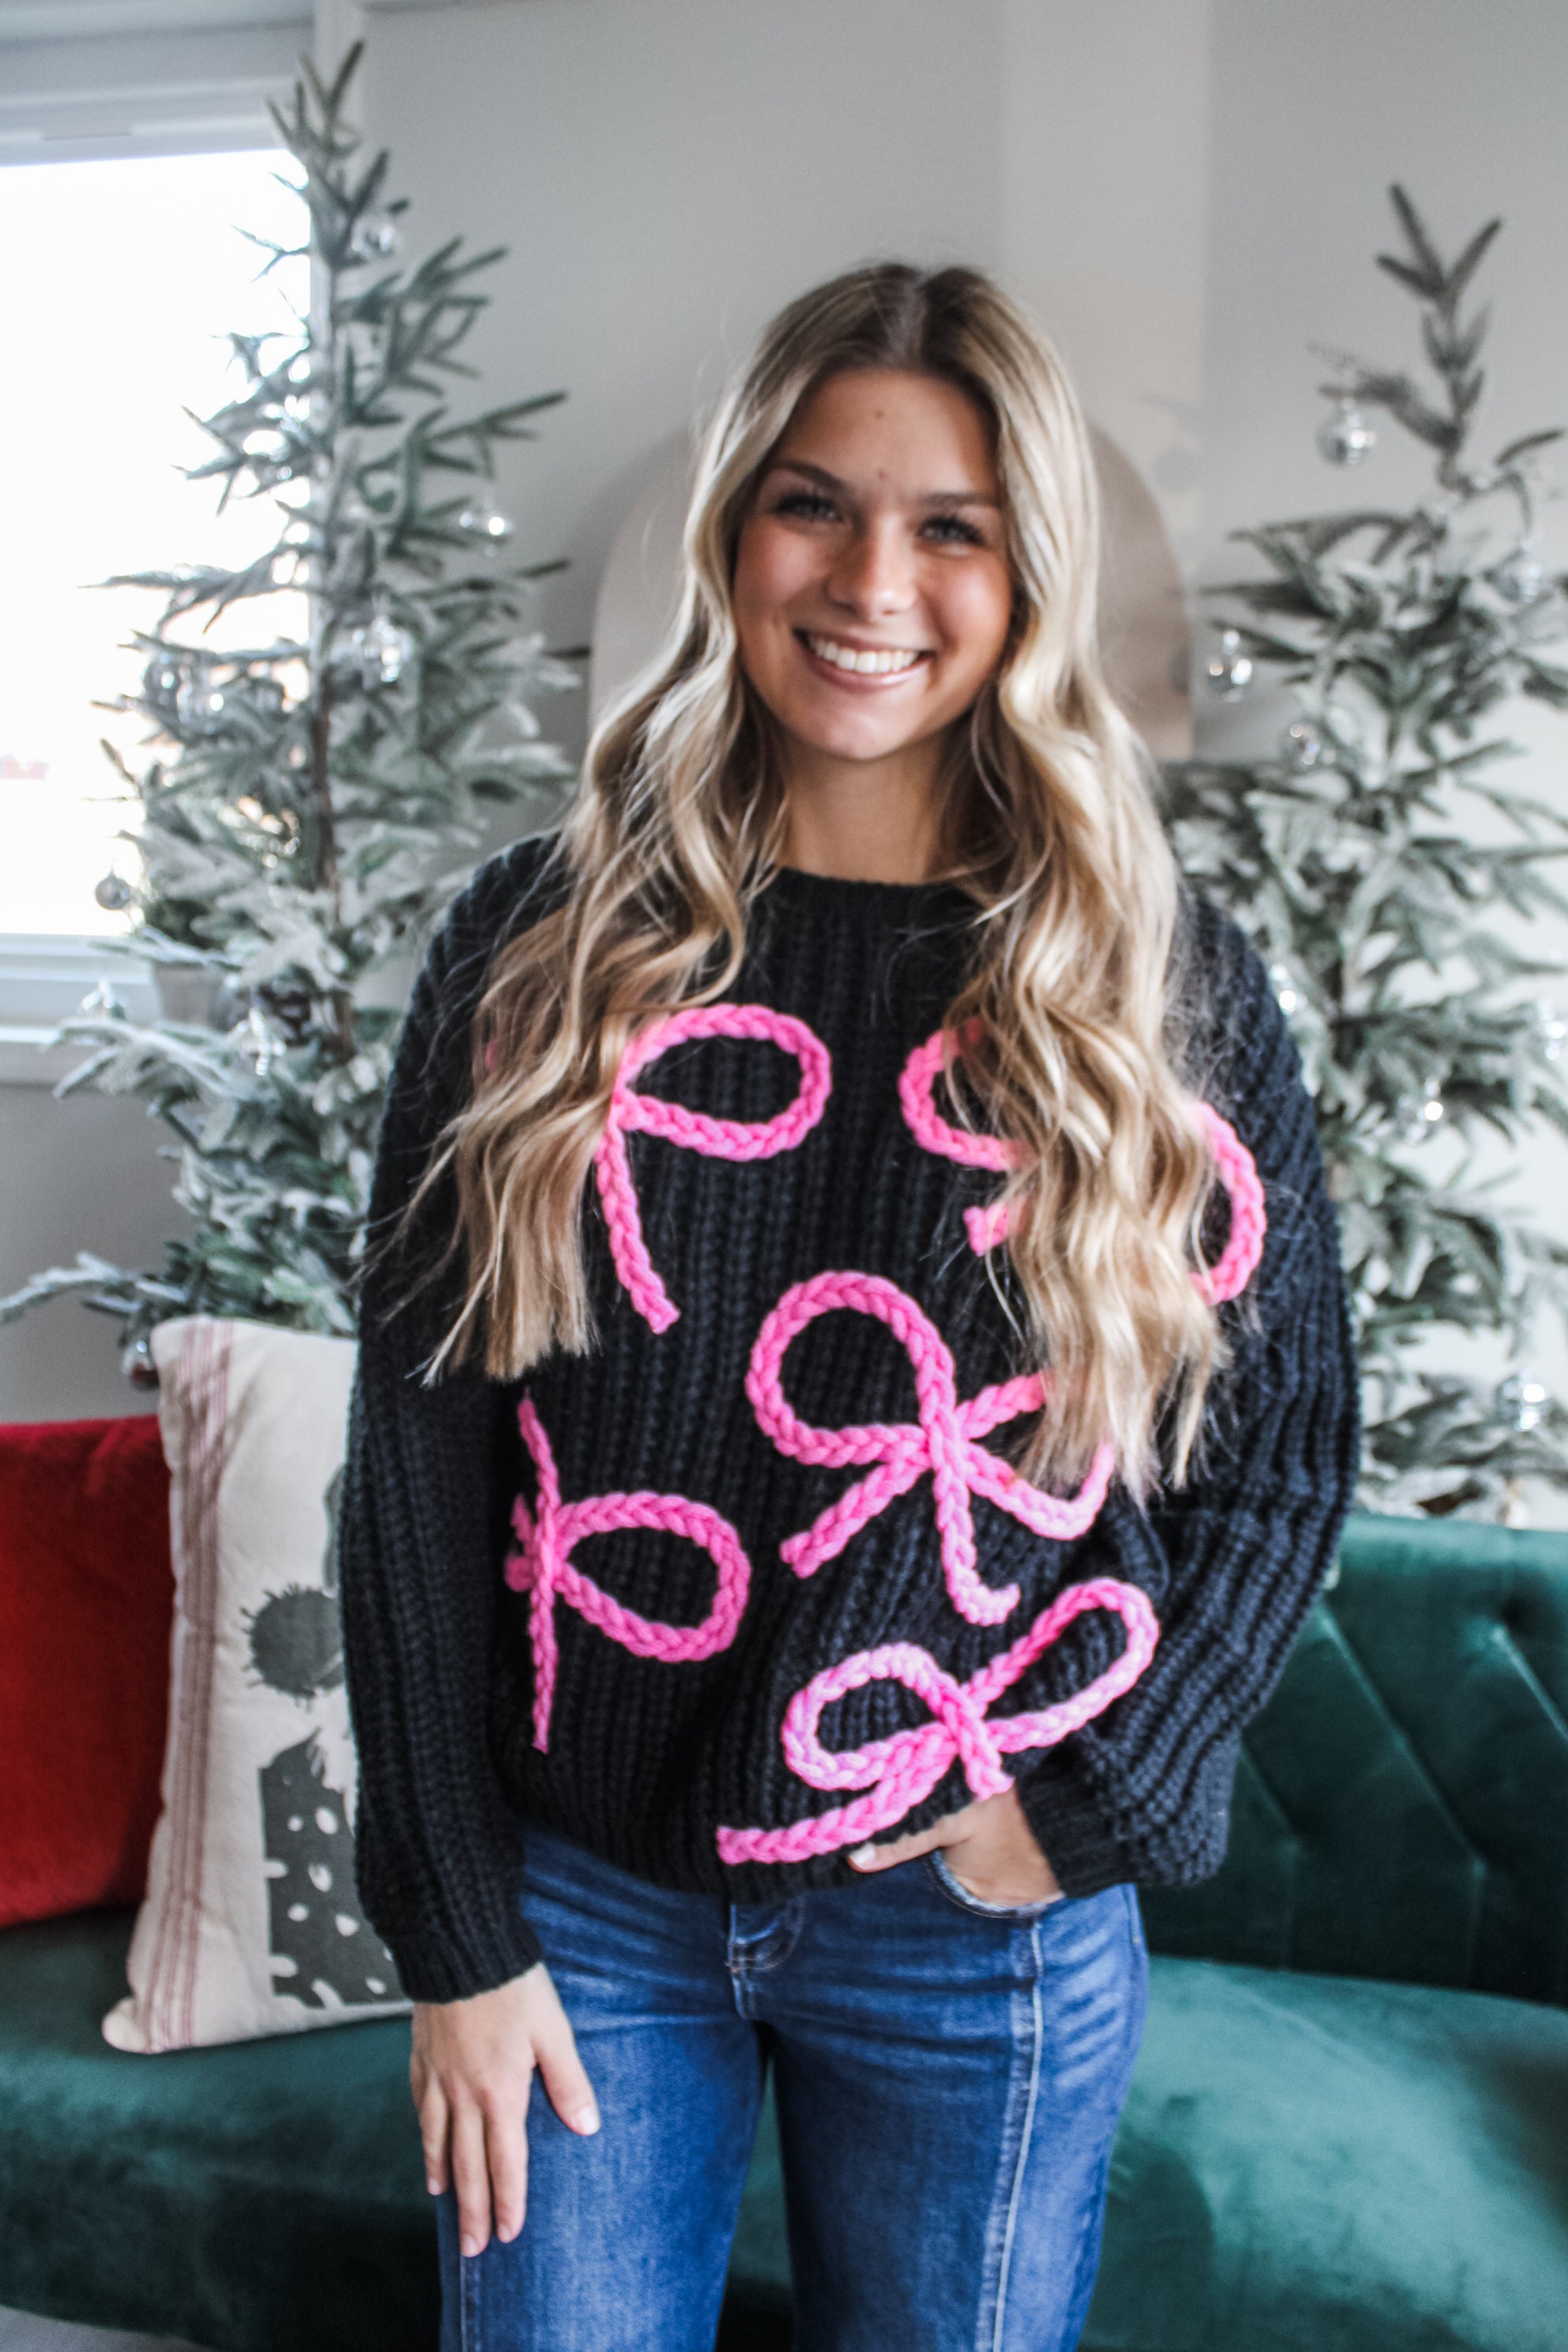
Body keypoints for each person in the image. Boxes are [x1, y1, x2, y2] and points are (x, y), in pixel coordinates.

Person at [337, 261, 1361, 2352]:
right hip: (583, 1904)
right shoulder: (538, 943)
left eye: (951, 526)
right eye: (814, 503)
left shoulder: (1152, 985)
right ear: (735, 528)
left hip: (976, 1927)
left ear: (1029, 574)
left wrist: (1099, 1799)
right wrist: (453, 1927)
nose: (871, 581)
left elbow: (1285, 1456)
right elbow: (421, 1453)